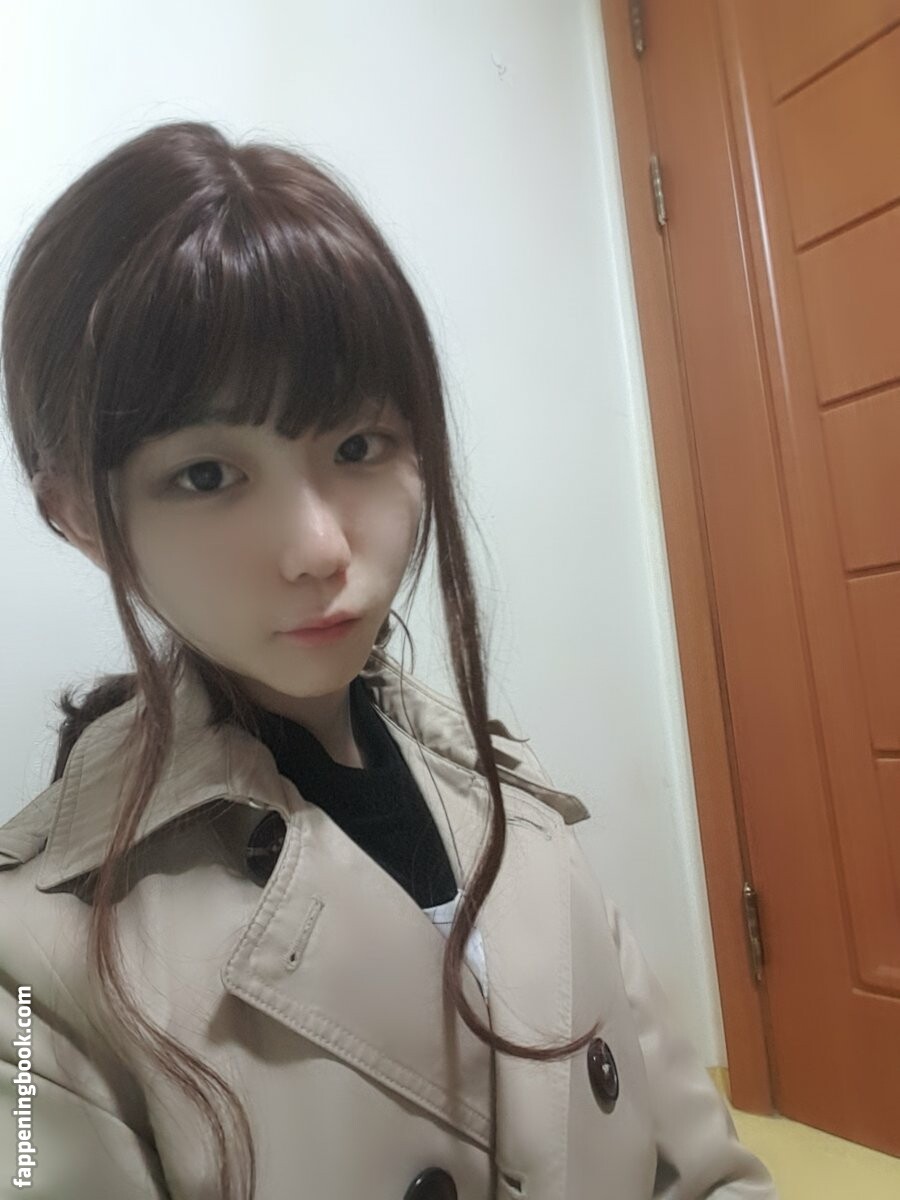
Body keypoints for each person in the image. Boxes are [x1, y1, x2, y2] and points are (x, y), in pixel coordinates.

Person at [0, 121, 778, 1200]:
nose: (320, 549)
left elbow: (707, 1171)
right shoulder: (32, 973)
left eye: (358, 447)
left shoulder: (516, 805)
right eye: (208, 474)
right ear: (83, 515)